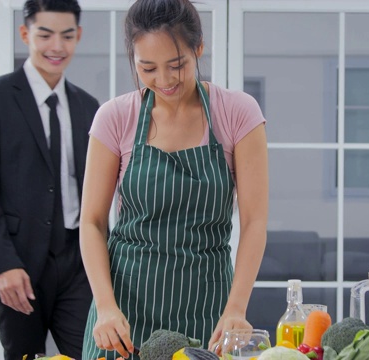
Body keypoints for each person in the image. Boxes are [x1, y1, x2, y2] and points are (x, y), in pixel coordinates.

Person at [79, 0, 269, 358]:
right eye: (147, 68)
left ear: (198, 49)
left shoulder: (237, 113)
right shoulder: (115, 117)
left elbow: (256, 221)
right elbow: (91, 222)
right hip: (123, 309)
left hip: (207, 308)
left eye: (177, 65)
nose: (163, 81)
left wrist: (237, 308)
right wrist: (105, 305)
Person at [0, 1, 99, 359]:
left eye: (67, 36)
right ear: (25, 34)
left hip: (76, 261)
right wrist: (4, 264)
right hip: (16, 259)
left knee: (92, 353)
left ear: (78, 36)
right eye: (46, 35)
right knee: (24, 356)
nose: (57, 47)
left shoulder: (89, 106)